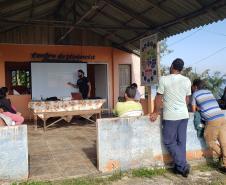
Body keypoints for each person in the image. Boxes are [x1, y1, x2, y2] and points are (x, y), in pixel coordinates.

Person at [149, 58, 191, 177]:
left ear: (172, 66)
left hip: (171, 116)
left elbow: (158, 98)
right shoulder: (187, 80)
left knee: (168, 141)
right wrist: (181, 108)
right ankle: (179, 169)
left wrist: (155, 112)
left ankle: (182, 165)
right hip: (184, 115)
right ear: (181, 69)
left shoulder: (164, 79)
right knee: (180, 142)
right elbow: (187, 100)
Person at [191, 79, 226, 173]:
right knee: (224, 143)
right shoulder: (209, 92)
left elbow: (193, 110)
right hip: (222, 118)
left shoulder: (195, 94)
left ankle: (222, 156)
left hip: (212, 120)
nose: (192, 88)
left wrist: (198, 108)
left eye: (192, 86)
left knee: (210, 141)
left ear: (195, 87)